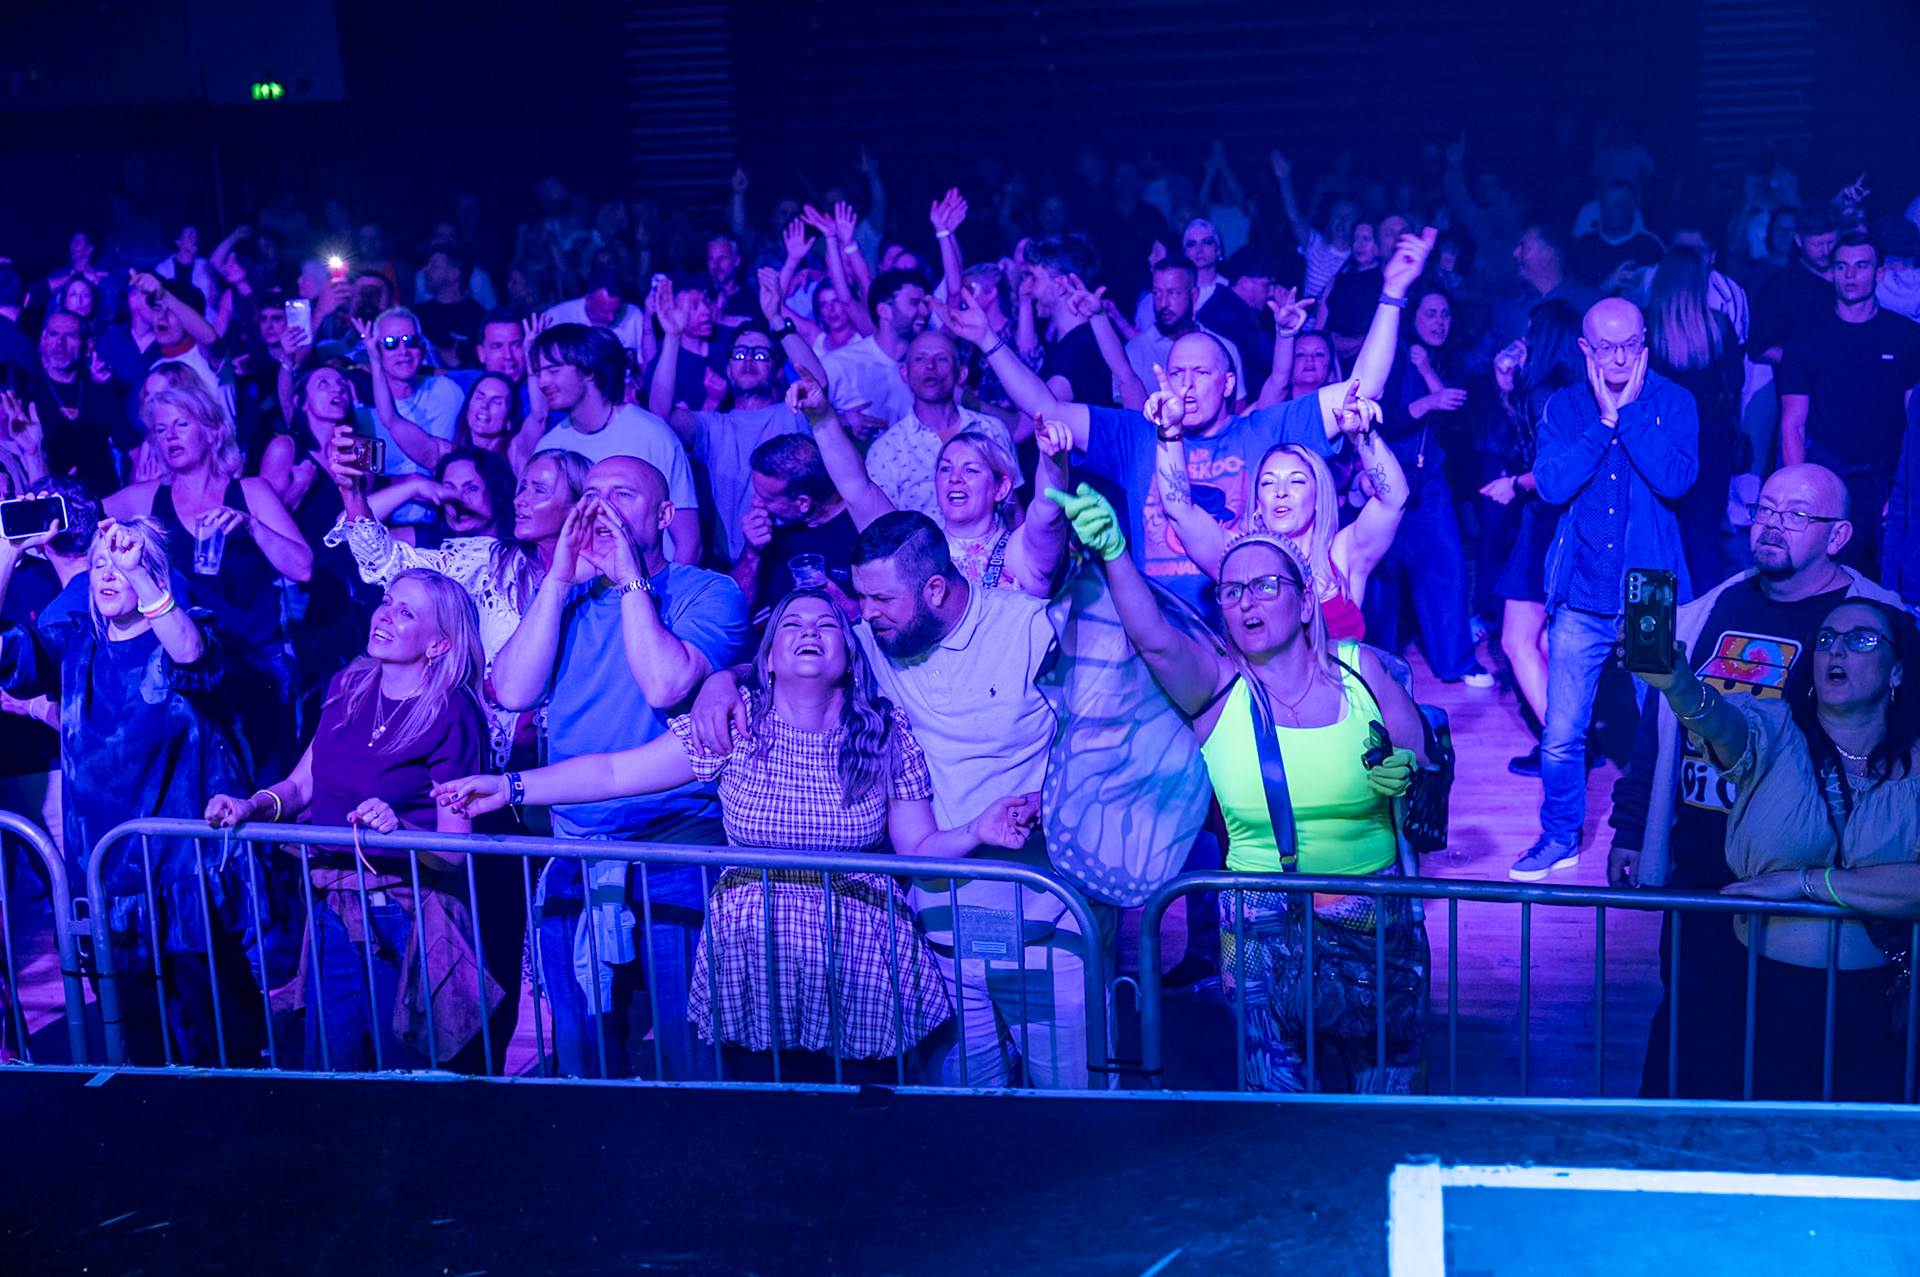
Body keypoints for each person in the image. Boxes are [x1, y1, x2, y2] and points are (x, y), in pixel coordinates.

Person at [441, 589, 1044, 1082]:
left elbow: (918, 849)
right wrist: (511, 787)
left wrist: (977, 830)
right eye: (792, 625)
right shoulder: (736, 723)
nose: (809, 631)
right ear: (770, 657)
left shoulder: (884, 734)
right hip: (755, 955)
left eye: (826, 624)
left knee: (861, 1126)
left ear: (849, 655)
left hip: (858, 957)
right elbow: (614, 773)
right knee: (765, 1118)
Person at [1050, 484, 1430, 1092]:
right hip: (1260, 929)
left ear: (1305, 603)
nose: (1246, 600)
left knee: (1388, 1100)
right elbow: (1155, 641)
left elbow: (1423, 762)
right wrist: (1116, 554)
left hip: (1372, 919)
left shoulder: (1364, 672)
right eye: (1231, 591)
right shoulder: (1217, 692)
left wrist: (1406, 774)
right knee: (1275, 1105)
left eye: (1265, 586)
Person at [691, 513, 1085, 1087]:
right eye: (860, 598)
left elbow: (1114, 731)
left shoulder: (1032, 629)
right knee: (964, 1116)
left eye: (880, 599)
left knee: (1073, 1108)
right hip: (943, 935)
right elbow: (790, 661)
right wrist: (719, 681)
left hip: (1045, 926)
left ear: (934, 589)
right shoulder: (875, 643)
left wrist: (1064, 801)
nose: (864, 613)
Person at [934, 227, 1439, 616]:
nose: (1187, 385)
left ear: (1227, 383)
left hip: (1243, 626)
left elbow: (1363, 387)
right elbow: (1047, 409)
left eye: (1201, 373)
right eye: (1177, 373)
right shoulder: (1136, 435)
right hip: (1160, 635)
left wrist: (1393, 292)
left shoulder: (1264, 431)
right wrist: (986, 341)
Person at [1608, 463, 1904, 1098]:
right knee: (1689, 1052)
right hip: (1704, 879)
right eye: (1764, 509)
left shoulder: (1876, 622)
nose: (1771, 525)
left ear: (1838, 534)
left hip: (1808, 900)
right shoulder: (1711, 608)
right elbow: (1663, 727)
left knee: (1792, 1070)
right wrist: (1631, 827)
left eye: (1796, 514)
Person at [490, 456, 748, 1079]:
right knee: (585, 1059)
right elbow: (513, 691)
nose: (600, 508)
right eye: (593, 494)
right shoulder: (567, 596)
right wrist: (557, 581)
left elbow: (664, 684)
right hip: (577, 852)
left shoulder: (707, 590)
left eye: (623, 495)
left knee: (692, 1057)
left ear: (664, 516)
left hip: (677, 853)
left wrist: (632, 581)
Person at [205, 568, 500, 1073]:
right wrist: (250, 805)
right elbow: (300, 787)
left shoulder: (452, 714)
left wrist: (400, 831)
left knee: (400, 1076)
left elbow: (455, 853)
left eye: (406, 612)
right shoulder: (350, 685)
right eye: (386, 601)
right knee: (330, 1070)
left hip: (401, 917)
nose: (384, 615)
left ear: (438, 644)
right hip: (333, 909)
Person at [0, 515, 262, 1068]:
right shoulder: (74, 643)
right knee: (141, 1050)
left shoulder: (181, 630)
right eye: (98, 564)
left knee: (224, 1039)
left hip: (182, 875)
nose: (106, 574)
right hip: (107, 880)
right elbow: (7, 656)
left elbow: (193, 657)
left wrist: (139, 571)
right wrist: (6, 552)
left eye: (120, 564)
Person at [1510, 297, 1699, 881]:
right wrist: (1606, 424)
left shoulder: (1673, 401)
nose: (1619, 358)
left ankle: (1659, 840)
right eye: (1607, 347)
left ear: (1645, 343)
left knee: (1659, 728)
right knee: (1562, 734)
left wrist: (1631, 413)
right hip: (1581, 595)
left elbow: (1677, 479)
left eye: (1630, 345)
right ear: (1585, 349)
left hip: (1649, 593)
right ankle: (1558, 837)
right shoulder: (1566, 406)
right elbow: (1551, 484)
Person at [327, 437, 588, 765]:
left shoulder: (601, 579)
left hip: (577, 753)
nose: (521, 499)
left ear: (576, 506)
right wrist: (352, 492)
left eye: (538, 490)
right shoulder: (488, 561)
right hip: (494, 755)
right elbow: (387, 561)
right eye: (522, 487)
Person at [104, 379, 312, 779]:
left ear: (212, 431)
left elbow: (302, 567)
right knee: (204, 781)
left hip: (257, 658)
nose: (170, 436)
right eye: (160, 429)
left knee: (268, 778)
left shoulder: (251, 491)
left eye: (181, 424)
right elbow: (78, 518)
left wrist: (252, 527)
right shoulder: (146, 497)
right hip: (188, 664)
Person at [1156, 381, 1405, 641]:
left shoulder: (1344, 554)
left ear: (1318, 497)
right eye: (1268, 483)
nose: (1281, 492)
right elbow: (1179, 511)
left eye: (1296, 481)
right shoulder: (1238, 556)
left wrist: (1364, 437)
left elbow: (1394, 499)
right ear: (1258, 503)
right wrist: (1170, 433)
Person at [800, 376, 1071, 596]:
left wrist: (1053, 461)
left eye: (971, 469)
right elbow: (857, 489)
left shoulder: (1019, 552)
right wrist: (822, 418)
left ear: (1001, 489)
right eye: (945, 468)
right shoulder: (914, 550)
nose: (955, 478)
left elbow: (1047, 510)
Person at [1369, 282, 1494, 686]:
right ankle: (1375, 667)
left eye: (1445, 314)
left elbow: (1454, 407)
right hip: (1386, 473)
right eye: (1430, 314)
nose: (1440, 322)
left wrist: (1426, 371)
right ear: (1413, 317)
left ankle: (1457, 662)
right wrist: (1426, 402)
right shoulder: (1393, 353)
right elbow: (1382, 417)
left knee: (1447, 563)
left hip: (1430, 475)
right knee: (1384, 572)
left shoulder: (1445, 358)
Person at [1479, 302, 1586, 775]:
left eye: (1531, 330)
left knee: (1516, 642)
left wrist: (1514, 484)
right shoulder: (1571, 390)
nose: (1524, 338)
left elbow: (1554, 470)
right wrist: (1507, 389)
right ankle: (1564, 740)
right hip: (1559, 525)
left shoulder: (1544, 393)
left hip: (1544, 526)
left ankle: (1566, 749)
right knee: (1542, 644)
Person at [1777, 232, 1920, 573]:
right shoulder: (1807, 339)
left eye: (1861, 266)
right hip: (1827, 474)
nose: (1850, 275)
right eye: (1841, 266)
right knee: (1821, 575)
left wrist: (1908, 489)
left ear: (1880, 273)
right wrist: (1799, 494)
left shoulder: (1905, 337)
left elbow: (1914, 422)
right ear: (1832, 273)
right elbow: (1792, 424)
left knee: (1884, 579)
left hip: (1887, 478)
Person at [648, 280, 812, 564]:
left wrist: (776, 319)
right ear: (728, 370)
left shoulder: (793, 411)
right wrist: (672, 337)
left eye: (760, 354)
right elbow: (661, 416)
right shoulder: (714, 426)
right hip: (736, 564)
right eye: (739, 353)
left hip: (798, 553)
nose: (748, 360)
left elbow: (817, 381)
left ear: (777, 371)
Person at [527, 322, 702, 564]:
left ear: (589, 370)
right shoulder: (550, 447)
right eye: (538, 373)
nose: (542, 382)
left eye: (553, 370)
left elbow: (689, 544)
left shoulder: (651, 434)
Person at [1646, 244, 1744, 590]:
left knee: (1657, 536)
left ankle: (1655, 619)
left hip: (1660, 441)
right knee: (1702, 539)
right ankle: (1705, 617)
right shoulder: (1718, 326)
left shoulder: (1646, 326)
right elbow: (1736, 382)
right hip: (1709, 439)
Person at [862, 331, 1021, 521]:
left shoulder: (991, 430)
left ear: (961, 374)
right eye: (920, 359)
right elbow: (881, 529)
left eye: (942, 359)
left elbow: (1013, 509)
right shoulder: (886, 451)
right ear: (904, 373)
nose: (930, 366)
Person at [350, 309, 467, 522]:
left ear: (422, 348)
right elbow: (362, 489)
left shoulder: (448, 391)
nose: (403, 351)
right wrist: (405, 483)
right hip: (391, 526)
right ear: (376, 350)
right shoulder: (364, 415)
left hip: (452, 519)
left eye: (410, 341)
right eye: (391, 343)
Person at [1123, 255, 1247, 400]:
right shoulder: (1134, 352)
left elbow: (1238, 411)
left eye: (1173, 293)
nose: (1163, 303)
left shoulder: (1224, 349)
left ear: (1194, 295)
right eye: (1157, 293)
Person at [1569, 181, 1666, 293]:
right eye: (1605, 205)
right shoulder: (1584, 244)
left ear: (1633, 207)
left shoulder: (1651, 246)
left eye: (1617, 205)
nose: (1609, 212)